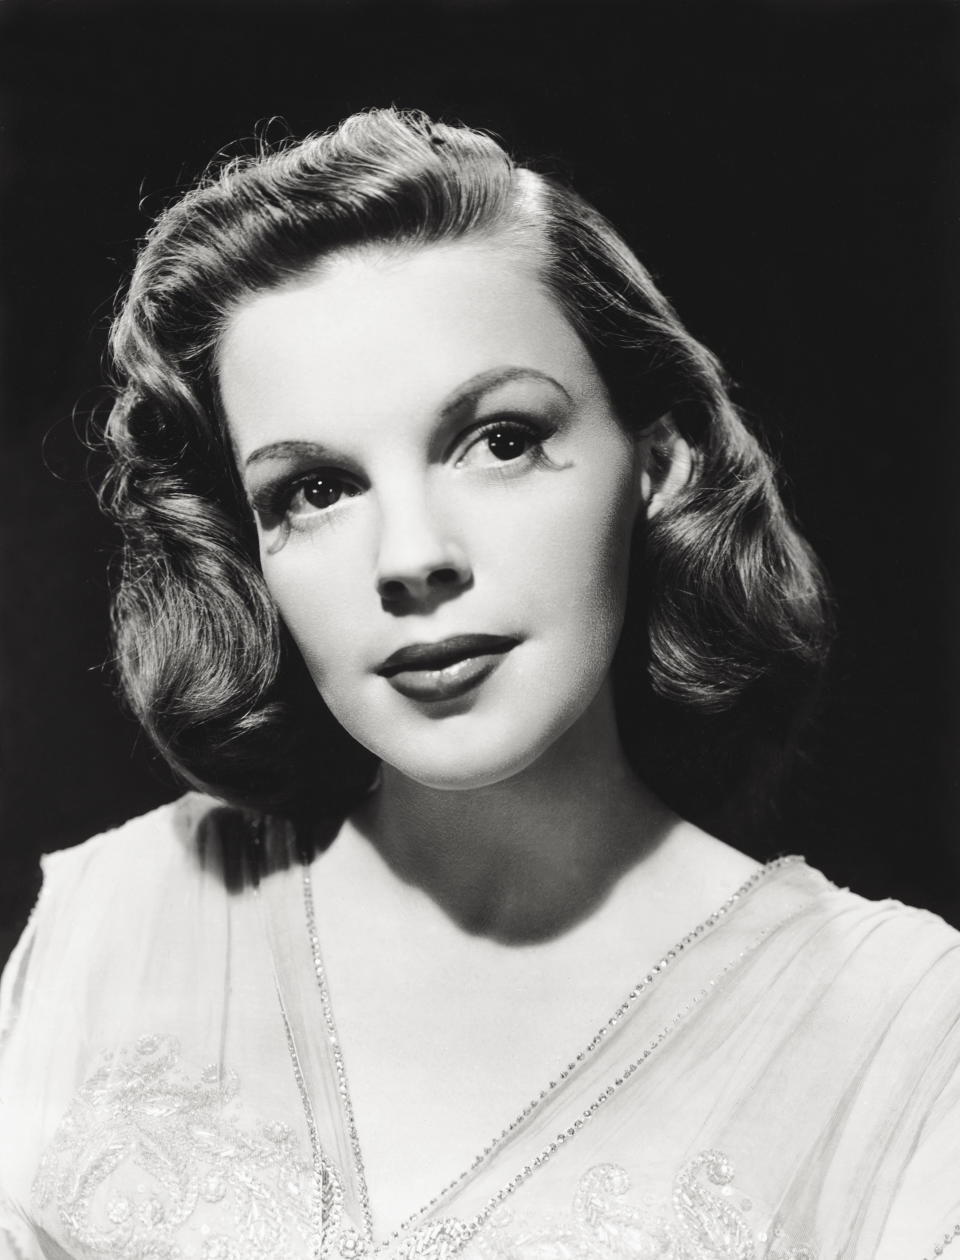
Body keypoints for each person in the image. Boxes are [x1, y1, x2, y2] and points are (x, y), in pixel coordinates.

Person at [0, 108, 957, 1260]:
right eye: (313, 490)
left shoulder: (906, 1031)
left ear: (657, 466)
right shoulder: (123, 912)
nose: (411, 559)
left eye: (499, 440)